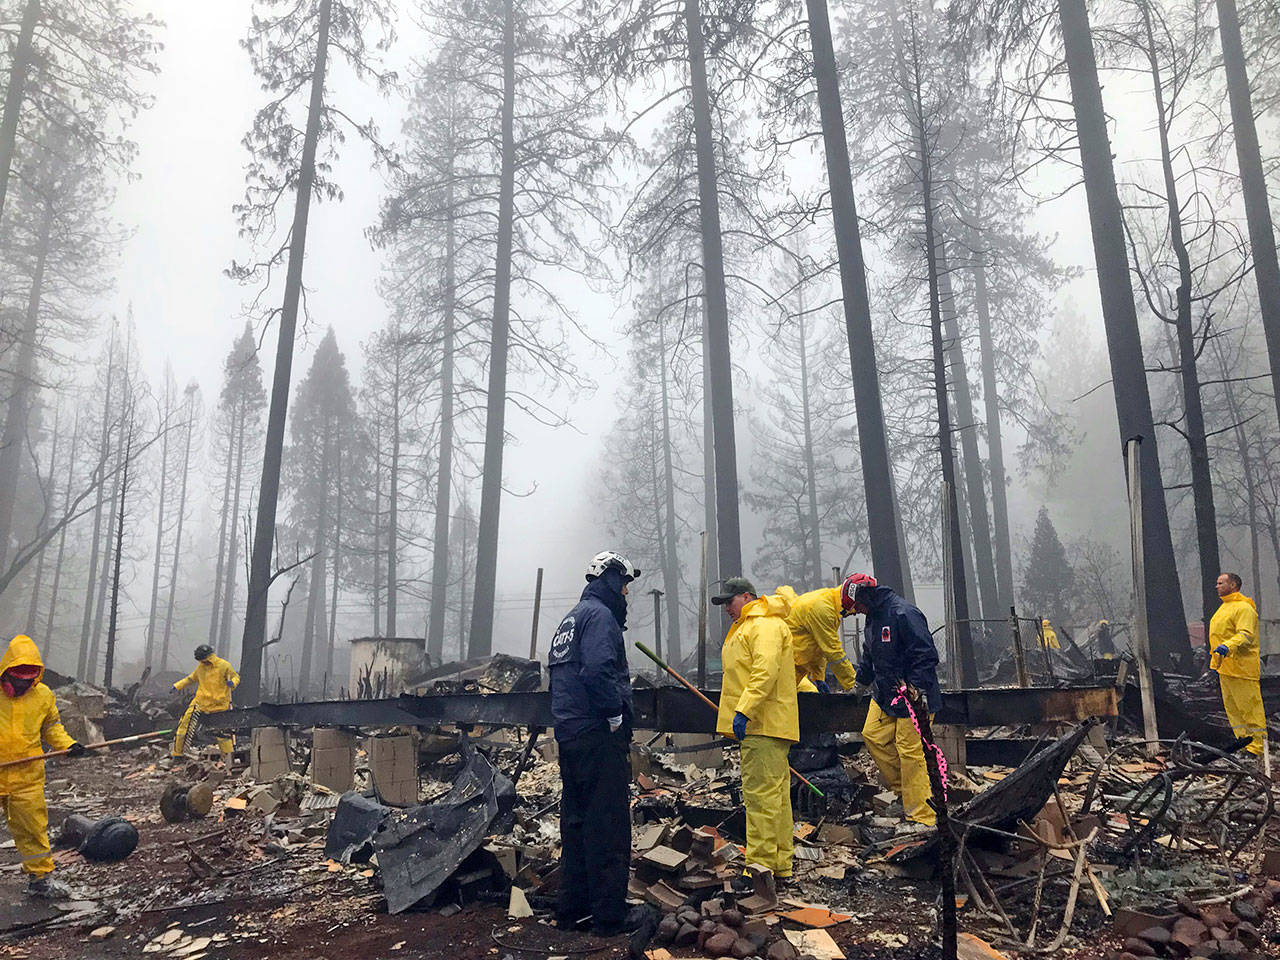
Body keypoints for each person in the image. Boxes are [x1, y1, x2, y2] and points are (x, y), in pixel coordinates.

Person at [547, 551, 646, 937]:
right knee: (607, 825)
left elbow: (562, 676)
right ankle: (609, 917)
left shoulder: (570, 619)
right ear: (608, 580)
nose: (626, 592)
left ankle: (573, 909)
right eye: (623, 583)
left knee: (576, 823)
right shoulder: (601, 617)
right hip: (598, 736)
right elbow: (598, 668)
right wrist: (614, 714)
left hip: (570, 734)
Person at [713, 577, 799, 881]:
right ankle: (778, 865)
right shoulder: (755, 626)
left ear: (746, 596)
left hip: (761, 724)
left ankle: (760, 868)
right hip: (766, 724)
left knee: (761, 798)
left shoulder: (762, 625)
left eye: (730, 602)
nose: (726, 609)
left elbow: (765, 670)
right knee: (775, 797)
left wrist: (744, 710)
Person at [846, 574, 942, 827]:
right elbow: (870, 654)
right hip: (885, 693)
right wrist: (860, 683)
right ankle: (904, 793)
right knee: (873, 735)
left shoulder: (903, 614)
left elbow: (926, 653)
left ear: (866, 595)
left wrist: (917, 687)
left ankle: (922, 813)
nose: (857, 611)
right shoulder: (874, 618)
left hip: (912, 695)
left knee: (911, 751)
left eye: (857, 606)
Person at [0, 635, 86, 898]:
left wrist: (68, 745)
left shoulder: (44, 696)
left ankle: (40, 879)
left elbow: (51, 728)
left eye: (29, 677)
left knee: (33, 830)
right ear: (7, 670)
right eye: (17, 676)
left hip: (27, 776)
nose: (22, 683)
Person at [1209, 572, 1266, 758]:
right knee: (1234, 711)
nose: (1217, 586)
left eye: (1221, 583)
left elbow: (1246, 634)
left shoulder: (1243, 608)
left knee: (1249, 709)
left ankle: (1257, 747)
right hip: (1226, 668)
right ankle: (1243, 742)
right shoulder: (1224, 607)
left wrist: (1228, 645)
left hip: (1242, 668)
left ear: (1233, 585)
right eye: (1216, 583)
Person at [775, 584, 857, 692]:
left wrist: (819, 677)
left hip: (794, 665)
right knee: (776, 702)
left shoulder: (828, 604)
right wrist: (853, 685)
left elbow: (817, 646)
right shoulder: (822, 609)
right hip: (785, 665)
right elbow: (832, 651)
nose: (856, 614)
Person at [171, 645, 239, 759]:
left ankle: (228, 758)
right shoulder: (200, 668)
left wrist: (233, 683)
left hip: (219, 705)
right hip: (200, 702)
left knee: (222, 733)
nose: (202, 663)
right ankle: (177, 753)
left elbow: (235, 677)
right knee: (184, 726)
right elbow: (191, 678)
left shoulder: (224, 666)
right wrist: (177, 686)